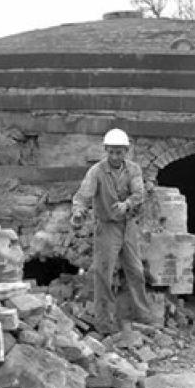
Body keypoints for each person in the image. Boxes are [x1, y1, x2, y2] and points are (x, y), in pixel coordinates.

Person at [71, 128, 153, 334]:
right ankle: (104, 323)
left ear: (126, 151)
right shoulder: (96, 172)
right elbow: (83, 195)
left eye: (119, 152)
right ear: (106, 150)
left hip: (128, 226)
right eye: (111, 152)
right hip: (106, 227)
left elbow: (139, 194)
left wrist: (127, 204)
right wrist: (79, 212)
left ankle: (142, 315)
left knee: (136, 271)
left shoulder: (133, 169)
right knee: (103, 274)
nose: (115, 156)